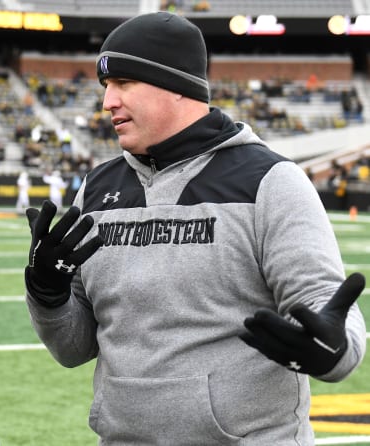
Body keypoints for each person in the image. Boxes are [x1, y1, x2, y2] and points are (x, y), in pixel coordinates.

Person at [23, 12, 366, 445]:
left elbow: (324, 304)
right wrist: (47, 296)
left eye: (123, 84)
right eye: (106, 87)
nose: (107, 101)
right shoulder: (95, 190)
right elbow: (72, 348)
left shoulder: (269, 181)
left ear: (176, 85)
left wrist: (333, 349)